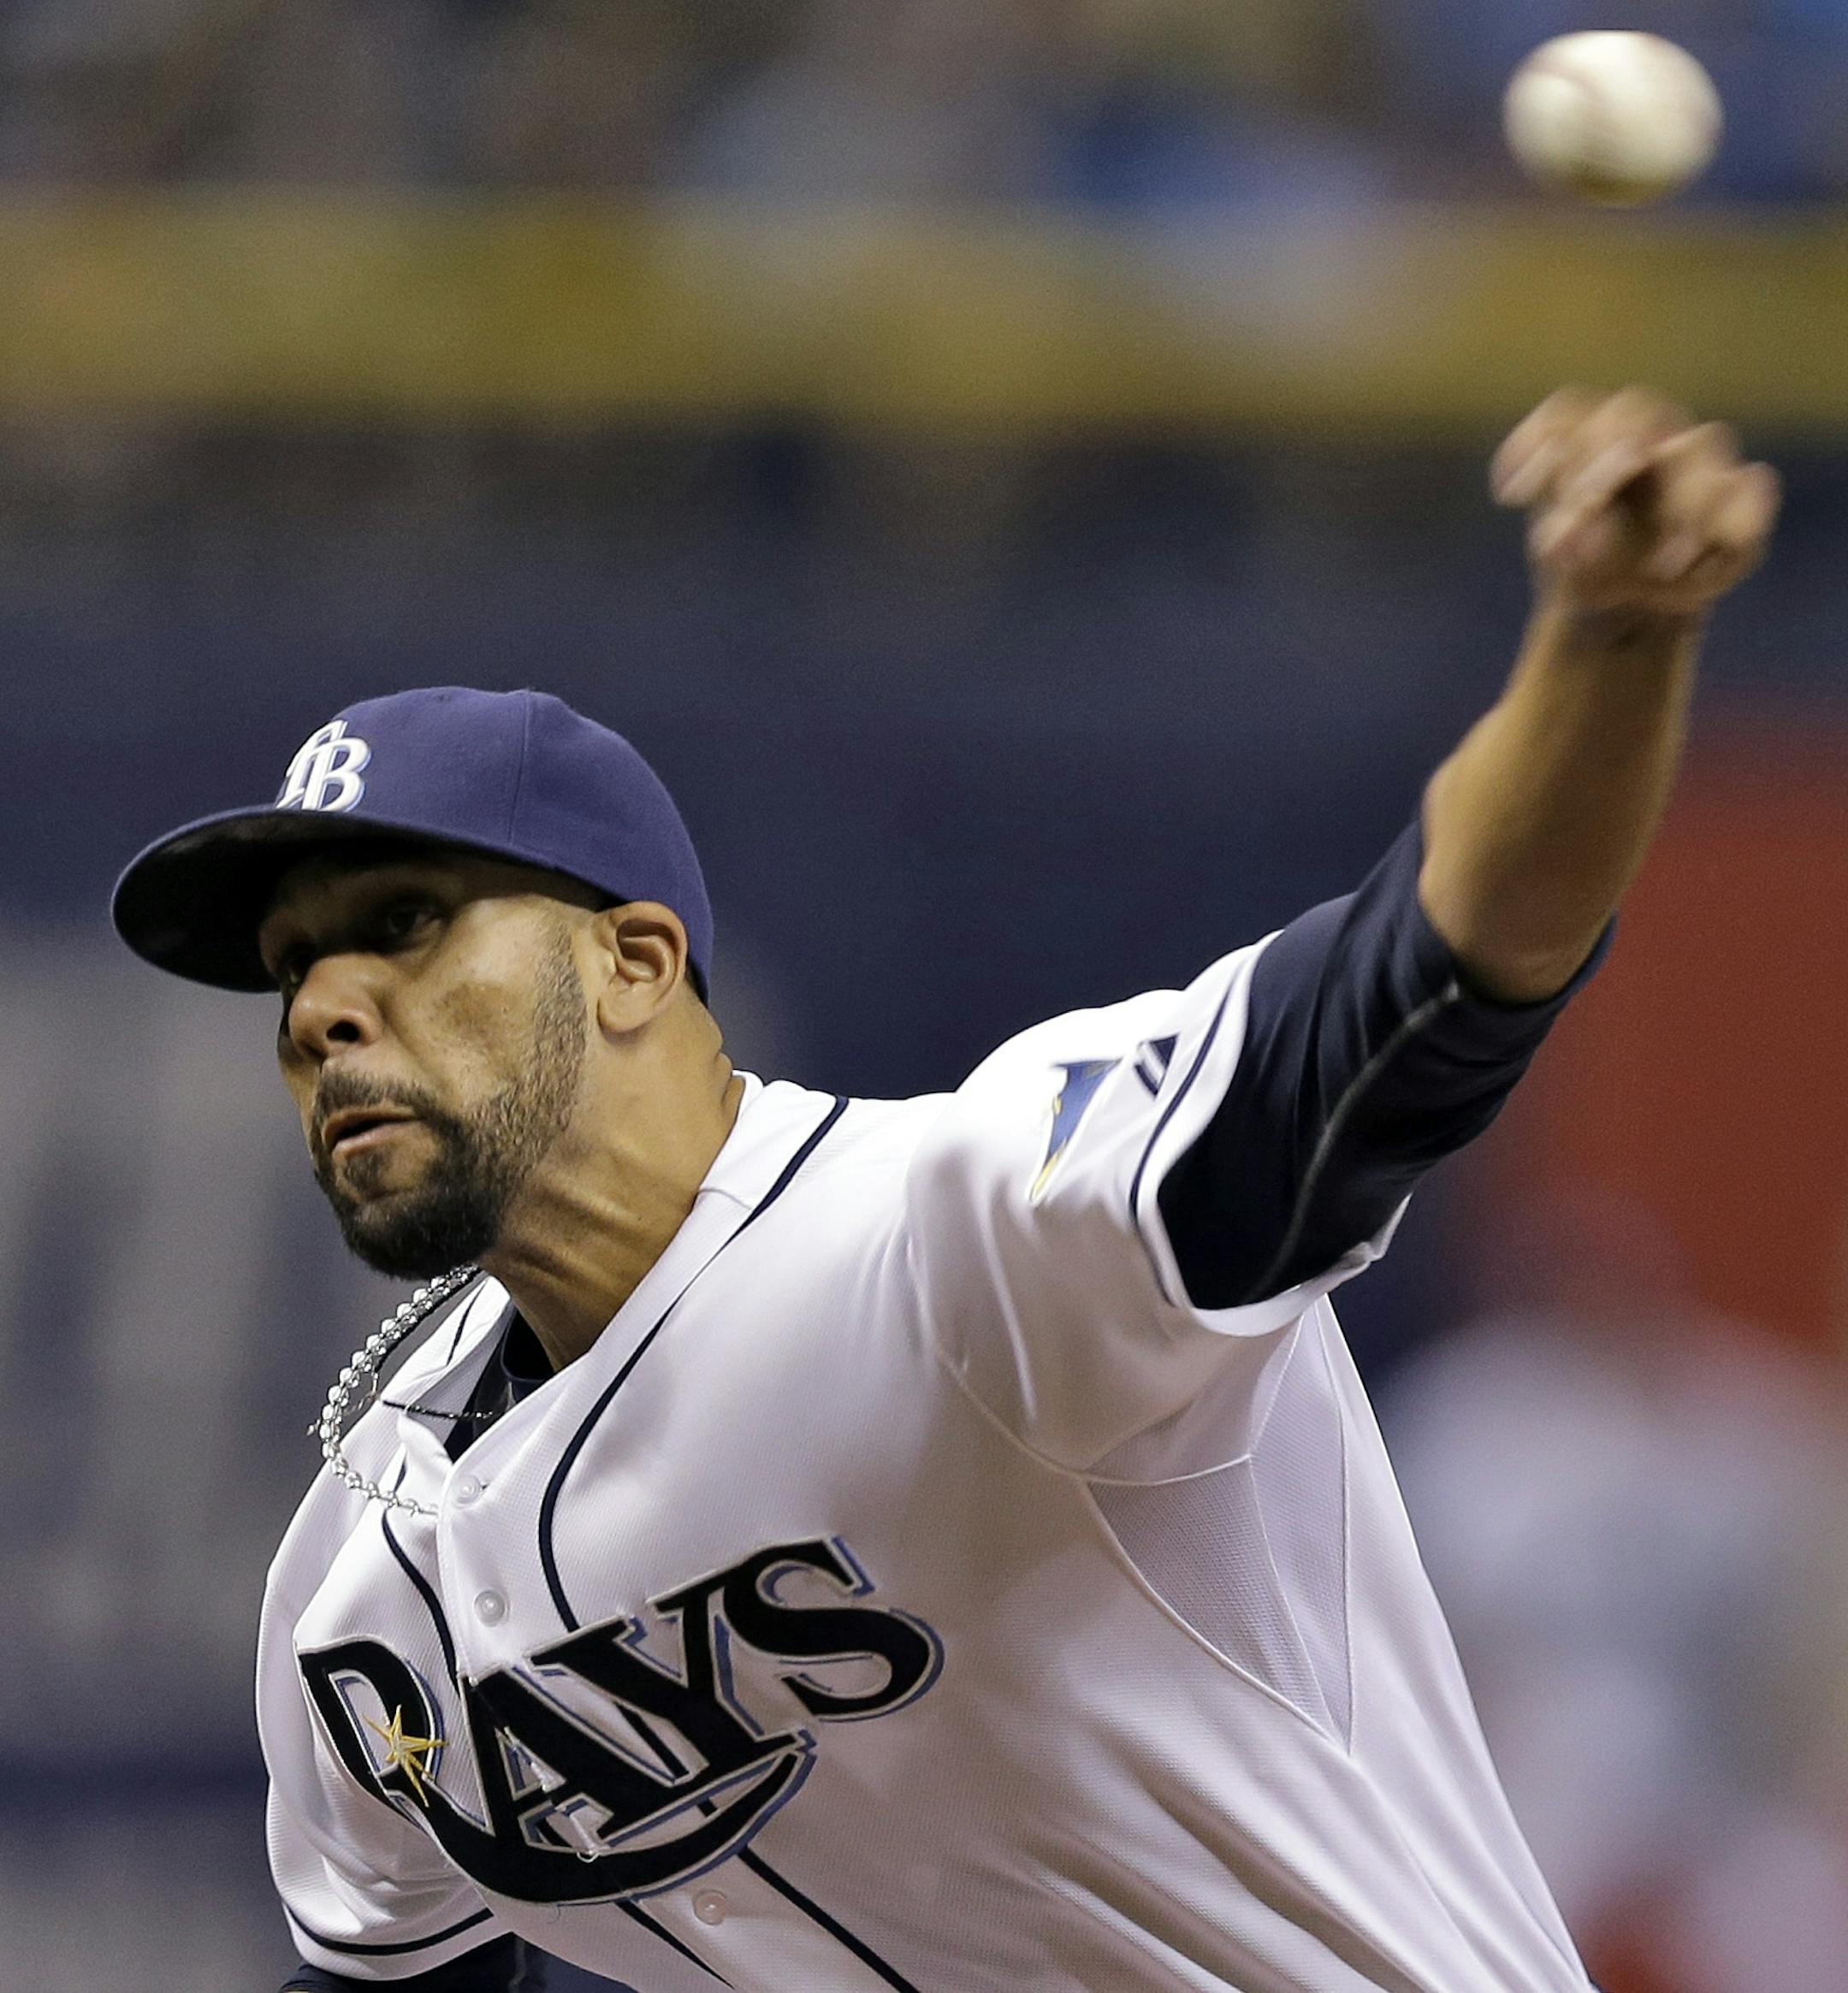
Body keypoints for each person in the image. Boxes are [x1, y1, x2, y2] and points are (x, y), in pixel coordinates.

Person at [110, 386, 1777, 1993]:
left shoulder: (965, 1240)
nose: (323, 1009)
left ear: (633, 963)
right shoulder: (356, 1592)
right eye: (290, 969)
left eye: (402, 921)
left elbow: (1420, 990)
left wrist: (1611, 647)